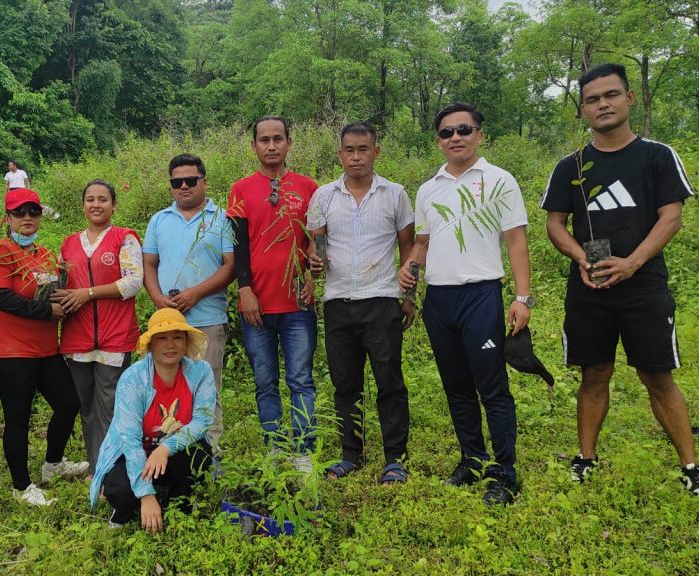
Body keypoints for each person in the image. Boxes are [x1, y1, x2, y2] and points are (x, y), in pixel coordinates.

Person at [540, 63, 699, 497]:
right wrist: (582, 257)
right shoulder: (572, 166)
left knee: (657, 375)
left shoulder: (657, 156)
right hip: (589, 285)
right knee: (594, 372)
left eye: (611, 95)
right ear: (582, 109)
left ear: (629, 98)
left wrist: (632, 263)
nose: (602, 104)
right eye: (592, 99)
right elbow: (555, 225)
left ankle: (691, 467)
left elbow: (670, 216)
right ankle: (585, 459)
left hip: (644, 286)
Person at [399, 102, 532, 505]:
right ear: (438, 141)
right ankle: (472, 458)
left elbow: (516, 241)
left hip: (481, 295)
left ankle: (504, 472)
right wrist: (409, 270)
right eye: (446, 132)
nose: (455, 137)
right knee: (456, 386)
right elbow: (423, 242)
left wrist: (522, 297)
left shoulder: (499, 180)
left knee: (492, 386)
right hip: (439, 298)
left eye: (464, 130)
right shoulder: (428, 188)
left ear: (479, 135)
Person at [307, 122, 415, 485]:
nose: (356, 156)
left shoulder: (395, 194)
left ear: (376, 152)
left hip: (382, 299)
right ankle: (350, 454)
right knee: (345, 383)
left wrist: (409, 295)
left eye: (363, 149)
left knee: (389, 381)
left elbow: (408, 246)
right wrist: (315, 261)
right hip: (338, 301)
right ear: (340, 154)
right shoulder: (323, 197)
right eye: (349, 150)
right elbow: (316, 245)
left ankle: (395, 459)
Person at [0, 188, 88, 506]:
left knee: (69, 403)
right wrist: (46, 311)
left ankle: (53, 465)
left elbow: (54, 291)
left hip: (46, 348)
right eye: (20, 212)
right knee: (18, 416)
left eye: (33, 212)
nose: (27, 218)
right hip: (12, 352)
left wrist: (63, 303)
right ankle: (21, 486)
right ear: (8, 217)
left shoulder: (46, 254)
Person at [227, 116, 318, 471]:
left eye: (277, 139)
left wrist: (312, 270)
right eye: (263, 140)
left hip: (297, 304)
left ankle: (303, 449)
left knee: (300, 379)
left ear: (289, 142)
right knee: (265, 381)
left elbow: (316, 239)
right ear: (254, 146)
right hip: (256, 306)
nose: (271, 146)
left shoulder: (309, 188)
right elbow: (238, 244)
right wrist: (245, 289)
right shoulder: (241, 189)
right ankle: (275, 446)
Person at [89, 308, 215, 534]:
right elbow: (129, 439)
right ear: (150, 345)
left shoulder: (201, 371)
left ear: (186, 342)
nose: (170, 345)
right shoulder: (133, 378)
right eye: (162, 338)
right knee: (121, 490)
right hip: (133, 451)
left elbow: (202, 421)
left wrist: (165, 448)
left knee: (201, 453)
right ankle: (128, 508)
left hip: (170, 452)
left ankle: (180, 504)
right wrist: (146, 495)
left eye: (177, 337)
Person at [143, 154, 234, 455]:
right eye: (176, 182)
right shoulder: (159, 220)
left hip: (207, 318)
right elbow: (149, 265)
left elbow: (229, 267)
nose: (184, 187)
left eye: (191, 181)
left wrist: (195, 294)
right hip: (167, 324)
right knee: (167, 391)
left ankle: (210, 457)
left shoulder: (220, 218)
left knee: (207, 389)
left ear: (204, 182)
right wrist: (159, 300)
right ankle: (171, 455)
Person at [55, 179, 142, 476]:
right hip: (77, 339)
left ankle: (114, 471)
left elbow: (132, 283)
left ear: (114, 205)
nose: (96, 204)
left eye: (103, 199)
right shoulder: (68, 244)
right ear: (82, 205)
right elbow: (62, 285)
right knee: (87, 409)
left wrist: (88, 293)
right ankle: (96, 469)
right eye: (90, 199)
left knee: (112, 407)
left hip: (114, 337)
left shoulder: (125, 238)